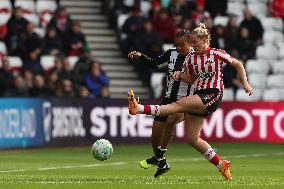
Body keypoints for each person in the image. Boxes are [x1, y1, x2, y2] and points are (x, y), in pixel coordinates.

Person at [128, 23, 253, 180]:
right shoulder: (192, 59)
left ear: (205, 39)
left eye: (194, 42)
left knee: (176, 107)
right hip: (199, 95)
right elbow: (192, 79)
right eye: (191, 43)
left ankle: (139, 108)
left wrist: (245, 83)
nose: (193, 46)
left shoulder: (216, 53)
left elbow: (237, 64)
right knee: (192, 139)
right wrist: (180, 75)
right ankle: (222, 165)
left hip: (212, 94)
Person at [128, 29, 194, 176]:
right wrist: (140, 56)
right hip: (168, 98)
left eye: (181, 45)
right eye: (176, 44)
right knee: (155, 135)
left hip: (185, 100)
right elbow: (154, 65)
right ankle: (161, 162)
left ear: (190, 43)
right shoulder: (171, 54)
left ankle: (157, 157)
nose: (178, 47)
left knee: (171, 120)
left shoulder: (196, 57)